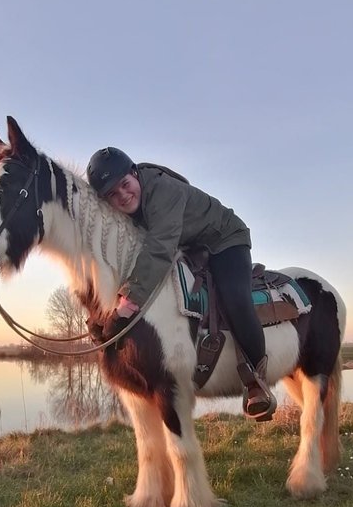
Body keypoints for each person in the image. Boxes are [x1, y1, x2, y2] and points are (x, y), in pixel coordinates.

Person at [86, 146, 277, 421]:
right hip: (189, 242)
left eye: (125, 185)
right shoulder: (129, 207)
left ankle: (257, 382)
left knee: (235, 297)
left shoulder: (164, 191)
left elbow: (159, 249)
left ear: (134, 173)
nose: (123, 196)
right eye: (113, 195)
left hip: (224, 239)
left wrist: (127, 305)